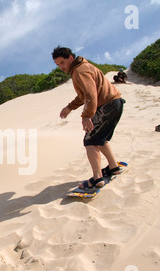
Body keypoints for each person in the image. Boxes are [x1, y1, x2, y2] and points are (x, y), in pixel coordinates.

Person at [52, 46, 125, 189]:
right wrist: (69, 107)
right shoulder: (81, 68)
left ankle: (97, 178)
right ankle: (113, 167)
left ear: (70, 58)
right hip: (115, 103)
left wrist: (87, 116)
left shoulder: (80, 71)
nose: (60, 67)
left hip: (108, 105)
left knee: (90, 140)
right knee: (99, 138)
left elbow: (91, 95)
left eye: (62, 62)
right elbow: (83, 96)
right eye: (57, 65)